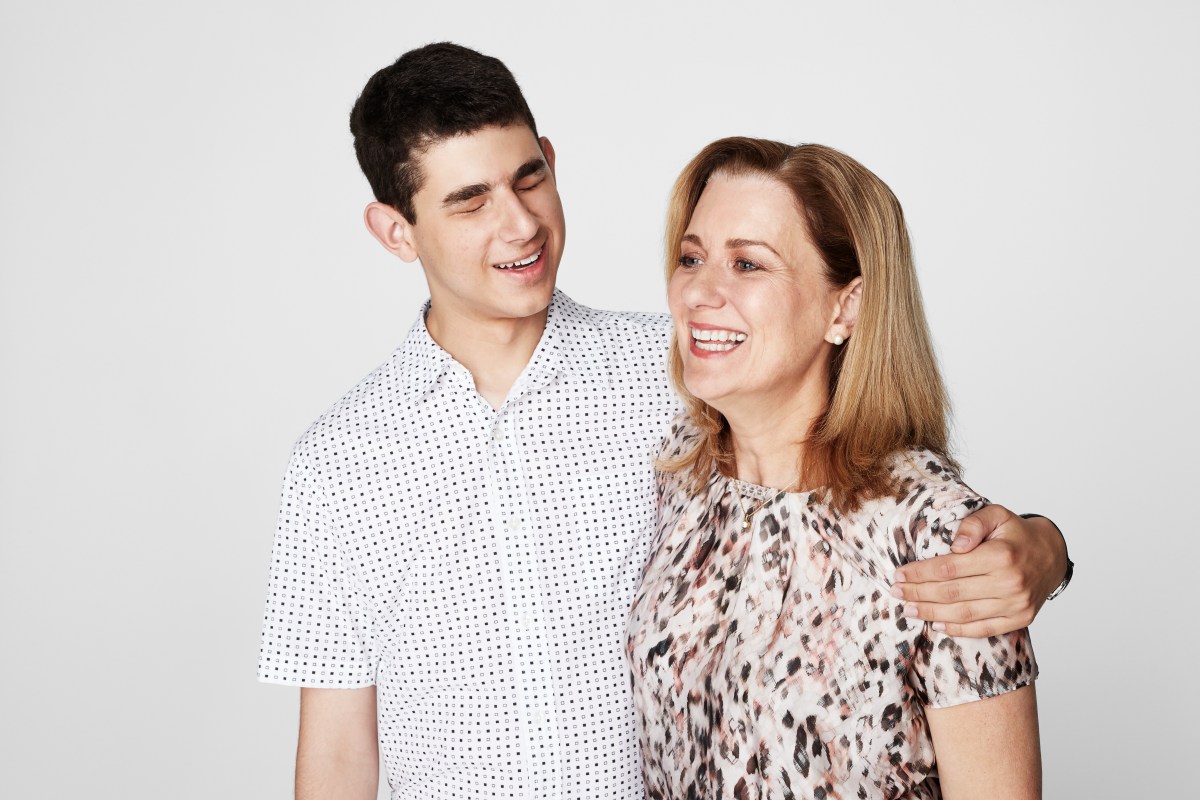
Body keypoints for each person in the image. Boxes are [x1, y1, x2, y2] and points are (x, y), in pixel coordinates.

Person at [258, 44, 1068, 800]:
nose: (520, 224)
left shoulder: (682, 377)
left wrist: (1041, 545)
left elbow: (859, 461)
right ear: (396, 231)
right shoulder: (338, 462)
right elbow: (335, 752)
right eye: (470, 202)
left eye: (529, 178)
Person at [626, 138, 1043, 800]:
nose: (701, 291)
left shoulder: (935, 536)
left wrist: (1045, 545)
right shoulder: (682, 476)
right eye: (691, 257)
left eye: (748, 264)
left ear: (844, 309)